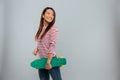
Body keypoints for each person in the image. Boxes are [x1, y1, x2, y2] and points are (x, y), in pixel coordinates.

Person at [33, 7, 62, 80]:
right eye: (48, 13)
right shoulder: (41, 29)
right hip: (42, 60)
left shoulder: (53, 29)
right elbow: (42, 43)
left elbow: (52, 45)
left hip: (51, 60)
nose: (51, 16)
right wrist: (37, 49)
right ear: (43, 15)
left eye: (53, 15)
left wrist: (48, 61)